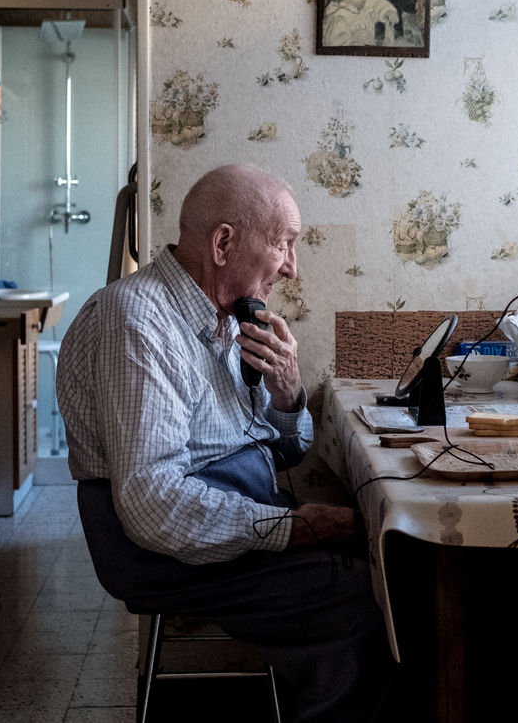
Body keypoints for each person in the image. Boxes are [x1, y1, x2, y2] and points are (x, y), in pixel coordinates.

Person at [57, 163, 392, 722]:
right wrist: (294, 528)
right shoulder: (136, 320)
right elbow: (150, 504)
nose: (292, 267)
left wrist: (288, 394)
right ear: (223, 244)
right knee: (364, 597)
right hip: (155, 550)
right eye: (284, 244)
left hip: (230, 512)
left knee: (394, 560)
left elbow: (285, 451)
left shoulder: (227, 316)